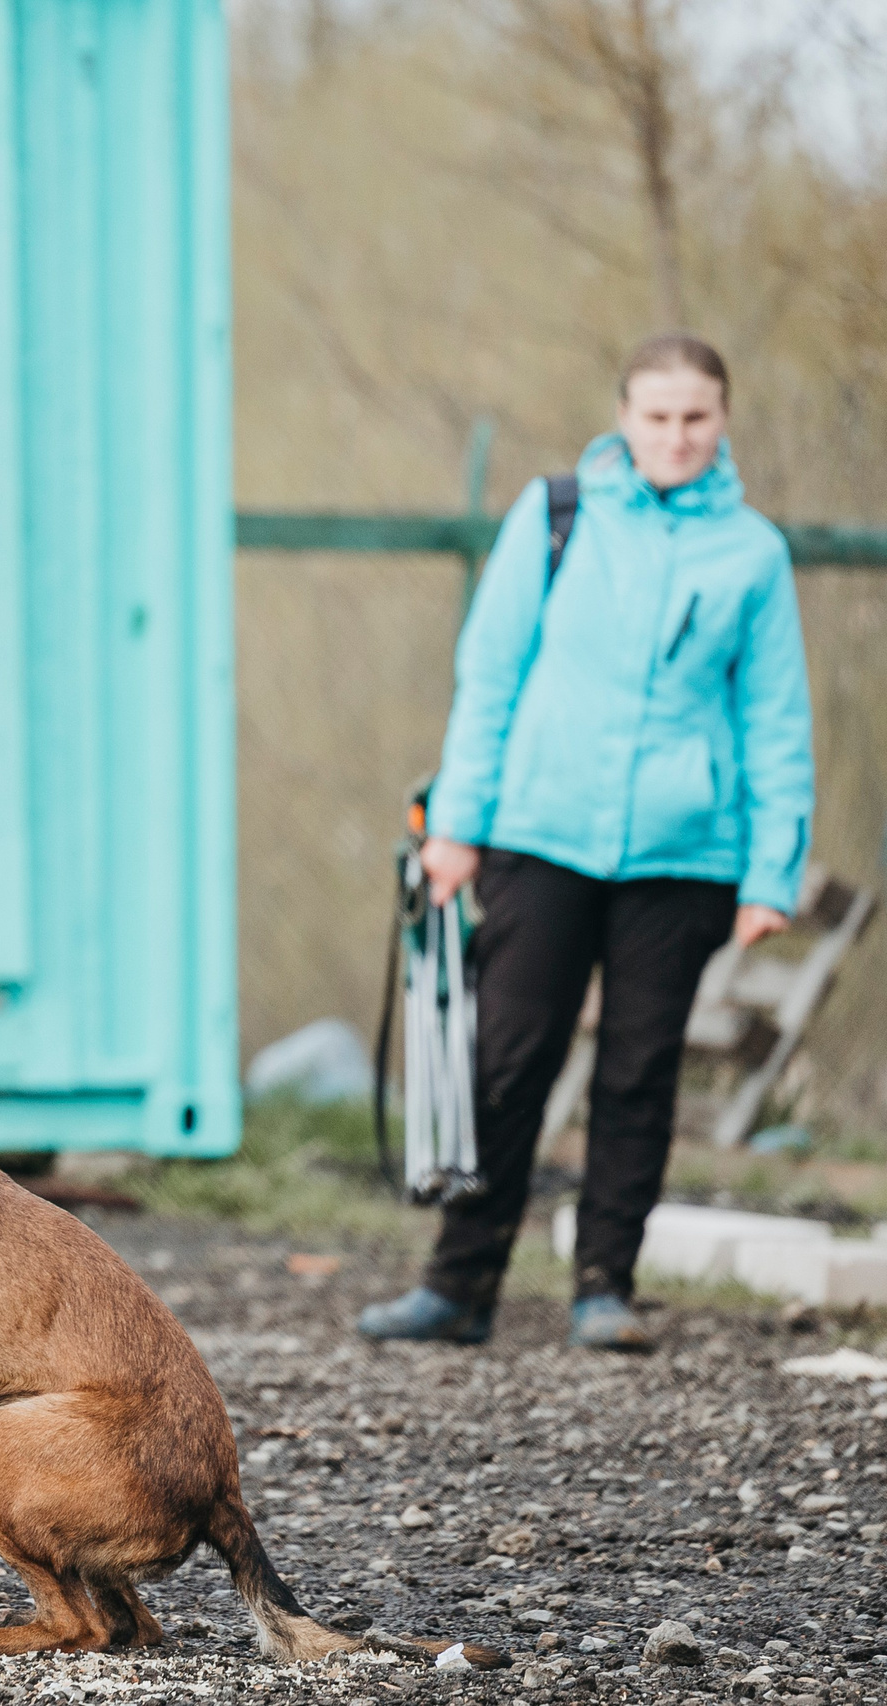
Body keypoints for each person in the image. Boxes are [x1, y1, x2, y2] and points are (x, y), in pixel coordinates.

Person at [357, 334, 814, 1354]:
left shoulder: (753, 553)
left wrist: (770, 869)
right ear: (623, 418)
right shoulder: (554, 514)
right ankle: (458, 1283)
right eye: (655, 416)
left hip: (682, 856)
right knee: (507, 1061)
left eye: (694, 417)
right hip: (536, 833)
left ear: (721, 421)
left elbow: (775, 720)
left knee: (638, 1071)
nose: (674, 435)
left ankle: (604, 1287)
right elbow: (493, 673)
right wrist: (459, 827)